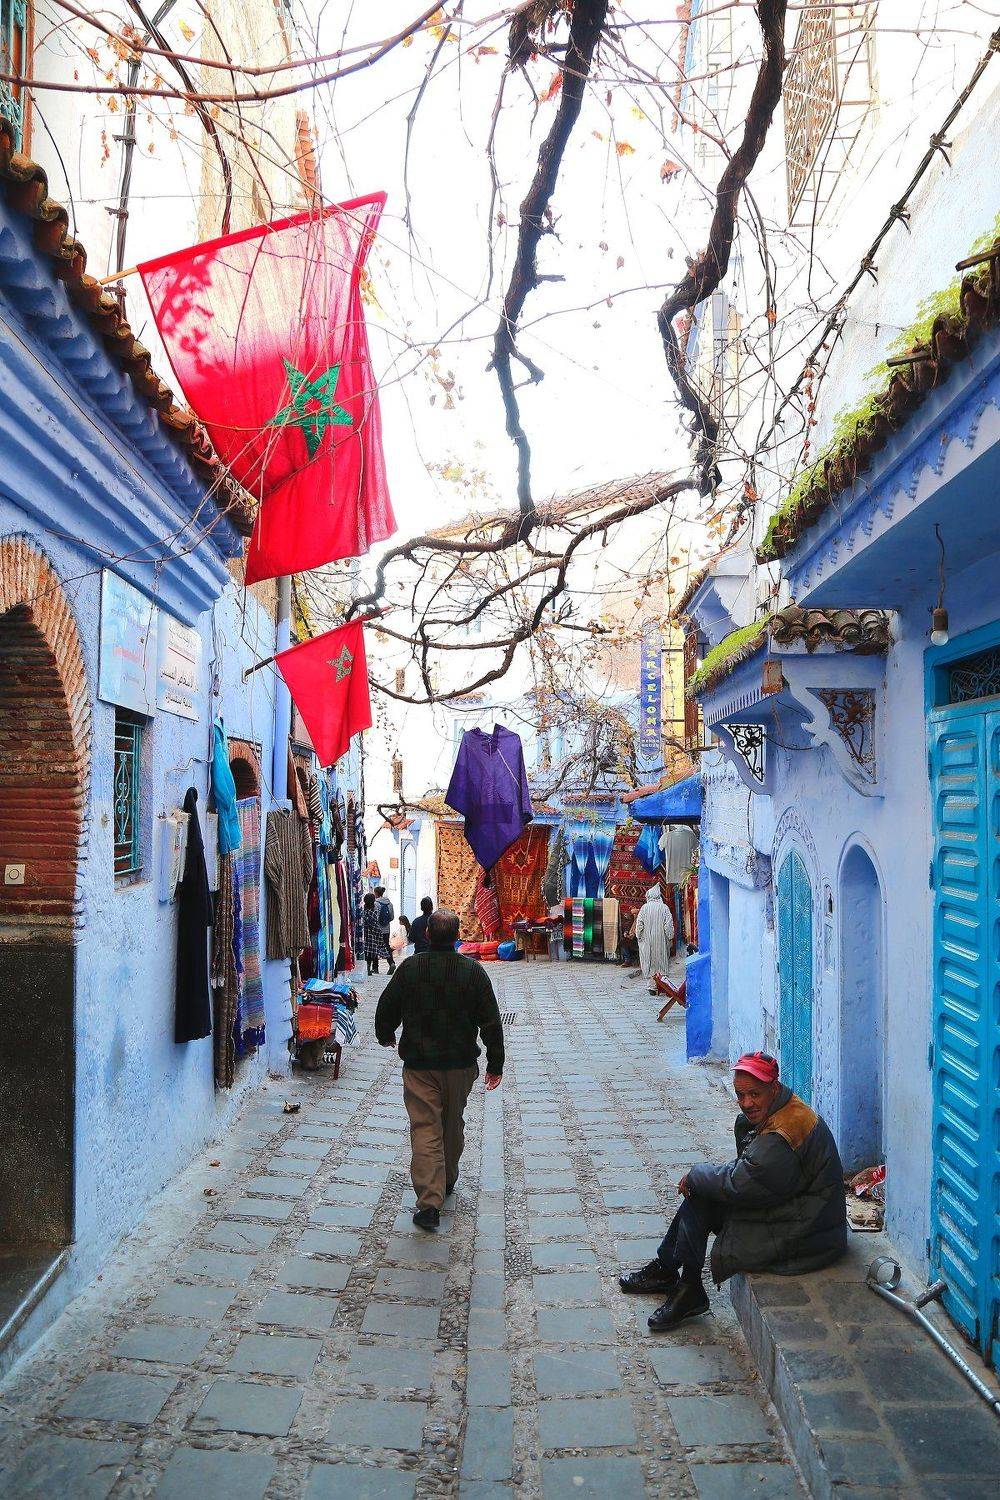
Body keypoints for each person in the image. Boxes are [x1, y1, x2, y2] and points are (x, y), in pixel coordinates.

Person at [619, 1051, 846, 1331]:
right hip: (801, 1212)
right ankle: (670, 1272)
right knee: (702, 1193)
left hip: (808, 1235)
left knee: (701, 1196)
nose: (746, 1103)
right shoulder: (785, 1108)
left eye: (754, 1094)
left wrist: (695, 1175)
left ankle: (686, 1286)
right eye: (740, 1095)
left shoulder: (781, 1135)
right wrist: (702, 1179)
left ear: (774, 1088)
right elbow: (749, 1172)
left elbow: (740, 1182)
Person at [375, 908, 504, 1230]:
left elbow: (387, 1005)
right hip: (460, 1066)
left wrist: (385, 1033)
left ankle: (429, 1202)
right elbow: (491, 1021)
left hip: (420, 1065)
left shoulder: (410, 968)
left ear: (427, 934)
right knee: (451, 1123)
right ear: (458, 936)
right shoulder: (473, 972)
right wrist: (495, 1064)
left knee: (425, 1128)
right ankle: (445, 1181)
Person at [635, 885, 674, 987]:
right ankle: (662, 983)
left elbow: (639, 924)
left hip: (647, 940)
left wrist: (638, 935)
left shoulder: (644, 908)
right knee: (661, 960)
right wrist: (670, 937)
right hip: (661, 940)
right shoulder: (664, 908)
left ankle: (651, 984)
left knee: (649, 960)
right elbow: (668, 925)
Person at [362, 891, 393, 977]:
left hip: (367, 933)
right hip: (381, 930)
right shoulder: (387, 905)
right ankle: (391, 962)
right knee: (382, 947)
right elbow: (391, 917)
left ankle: (371, 968)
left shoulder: (364, 910)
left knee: (368, 951)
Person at [374, 886, 396, 974]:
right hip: (386, 929)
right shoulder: (390, 904)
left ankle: (375, 968)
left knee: (375, 947)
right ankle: (391, 963)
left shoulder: (376, 904)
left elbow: (375, 917)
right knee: (386, 946)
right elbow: (392, 917)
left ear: (376, 893)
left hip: (377, 929)